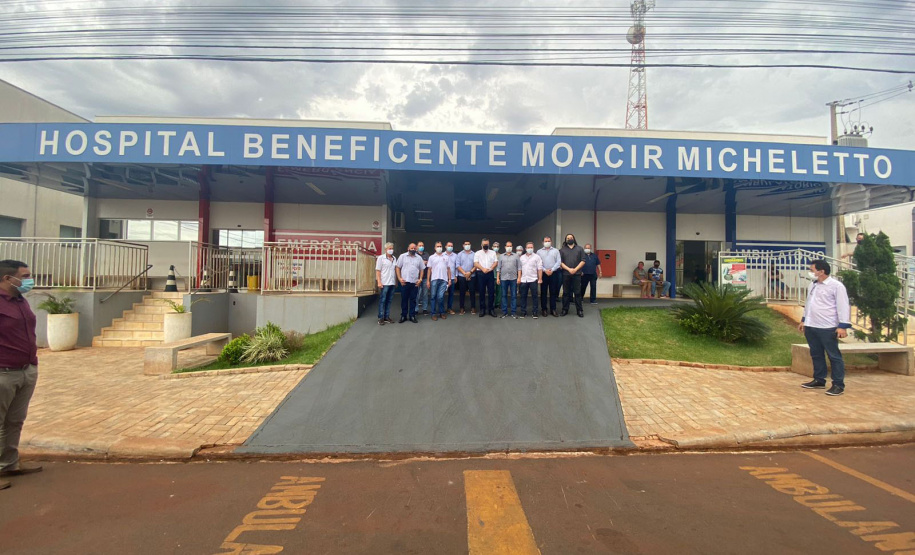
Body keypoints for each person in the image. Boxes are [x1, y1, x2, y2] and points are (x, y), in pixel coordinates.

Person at [0, 259, 43, 490]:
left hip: (25, 370)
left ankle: (9, 464)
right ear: (7, 279)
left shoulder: (19, 300)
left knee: (14, 421)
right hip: (3, 372)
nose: (29, 280)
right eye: (25, 276)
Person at [799, 260, 851, 396]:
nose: (811, 272)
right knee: (816, 354)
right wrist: (804, 320)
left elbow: (843, 306)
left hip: (827, 326)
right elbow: (809, 303)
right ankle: (819, 379)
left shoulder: (836, 286)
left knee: (834, 356)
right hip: (811, 325)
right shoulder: (813, 285)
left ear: (821, 271)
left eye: (813, 270)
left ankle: (838, 384)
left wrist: (843, 326)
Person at [395, 243, 425, 323]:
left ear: (416, 249)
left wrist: (420, 279)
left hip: (415, 283)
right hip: (405, 282)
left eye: (414, 248)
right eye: (411, 248)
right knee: (404, 300)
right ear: (408, 248)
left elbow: (422, 269)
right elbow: (397, 267)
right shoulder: (402, 256)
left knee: (413, 300)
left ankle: (412, 315)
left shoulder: (419, 258)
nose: (413, 249)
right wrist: (399, 278)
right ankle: (403, 316)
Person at [559, 233, 586, 317]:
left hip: (577, 274)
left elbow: (583, 261)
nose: (570, 239)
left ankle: (579, 310)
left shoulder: (580, 249)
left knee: (577, 293)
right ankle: (565, 310)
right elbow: (560, 262)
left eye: (571, 237)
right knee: (566, 293)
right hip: (566, 274)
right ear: (565, 240)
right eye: (568, 238)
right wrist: (569, 269)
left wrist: (575, 269)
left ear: (574, 239)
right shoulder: (562, 250)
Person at [426, 242, 452, 321]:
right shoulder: (431, 257)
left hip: (443, 280)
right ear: (435, 248)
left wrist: (449, 279)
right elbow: (429, 269)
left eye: (440, 246)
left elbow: (448, 269)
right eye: (438, 246)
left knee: (440, 297)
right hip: (434, 279)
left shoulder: (446, 257)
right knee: (433, 297)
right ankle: (433, 314)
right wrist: (428, 280)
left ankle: (442, 312)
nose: (439, 247)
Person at [537, 236, 562, 317]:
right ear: (542, 242)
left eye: (549, 241)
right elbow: (538, 263)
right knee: (543, 292)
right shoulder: (539, 252)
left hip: (554, 273)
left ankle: (553, 309)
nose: (547, 242)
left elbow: (558, 262)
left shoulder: (556, 251)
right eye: (545, 241)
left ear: (551, 242)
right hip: (543, 273)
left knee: (553, 292)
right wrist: (545, 270)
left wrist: (552, 270)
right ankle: (544, 309)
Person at [474, 238, 498, 317]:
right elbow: (475, 263)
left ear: (489, 244)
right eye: (484, 245)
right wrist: (483, 269)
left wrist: (490, 269)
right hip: (480, 273)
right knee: (481, 292)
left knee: (491, 292)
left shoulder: (493, 252)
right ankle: (482, 309)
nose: (486, 246)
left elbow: (496, 262)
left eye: (487, 245)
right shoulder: (477, 253)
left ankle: (491, 309)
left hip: (490, 273)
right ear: (481, 245)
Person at [518, 242, 543, 319]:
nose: (530, 249)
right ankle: (523, 312)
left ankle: (535, 312)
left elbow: (540, 268)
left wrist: (540, 278)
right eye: (528, 247)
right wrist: (519, 278)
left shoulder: (537, 257)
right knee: (523, 296)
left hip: (533, 279)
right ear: (525, 249)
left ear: (533, 248)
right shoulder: (521, 257)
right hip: (523, 280)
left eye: (531, 247)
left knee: (535, 296)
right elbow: (519, 269)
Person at [497, 241, 520, 319]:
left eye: (510, 246)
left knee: (514, 295)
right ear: (505, 247)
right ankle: (504, 312)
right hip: (503, 278)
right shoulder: (501, 256)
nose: (509, 247)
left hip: (513, 278)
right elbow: (498, 268)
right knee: (504, 295)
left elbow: (519, 268)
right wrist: (497, 278)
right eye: (507, 246)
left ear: (512, 247)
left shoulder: (516, 256)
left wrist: (519, 277)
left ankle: (513, 312)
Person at [375, 243, 397, 325]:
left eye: (392, 248)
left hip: (392, 282)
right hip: (384, 283)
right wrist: (379, 282)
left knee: (389, 300)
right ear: (385, 249)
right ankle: (380, 317)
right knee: (382, 300)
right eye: (389, 248)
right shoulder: (381, 258)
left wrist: (396, 282)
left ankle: (386, 316)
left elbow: (395, 270)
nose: (391, 249)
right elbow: (378, 270)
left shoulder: (394, 258)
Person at [455, 241, 477, 315]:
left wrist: (470, 273)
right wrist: (465, 274)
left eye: (468, 244)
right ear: (463, 245)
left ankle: (473, 307)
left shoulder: (474, 254)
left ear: (470, 245)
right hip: (462, 276)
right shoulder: (460, 254)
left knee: (472, 292)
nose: (467, 245)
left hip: (472, 276)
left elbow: (476, 265)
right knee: (462, 292)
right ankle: (461, 308)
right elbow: (457, 265)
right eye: (466, 244)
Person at [415, 241, 431, 315]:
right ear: (417, 247)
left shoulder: (426, 254)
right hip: (416, 278)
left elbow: (429, 263)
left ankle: (425, 309)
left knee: (425, 294)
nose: (421, 247)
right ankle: (416, 309)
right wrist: (422, 262)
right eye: (420, 245)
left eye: (422, 245)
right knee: (416, 294)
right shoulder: (414, 255)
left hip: (425, 277)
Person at [444, 241, 457, 315]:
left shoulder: (455, 256)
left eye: (451, 246)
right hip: (443, 278)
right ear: (445, 246)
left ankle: (449, 308)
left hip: (452, 277)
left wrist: (456, 276)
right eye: (449, 245)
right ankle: (441, 309)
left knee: (451, 294)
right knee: (441, 294)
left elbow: (456, 266)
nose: (450, 247)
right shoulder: (442, 255)